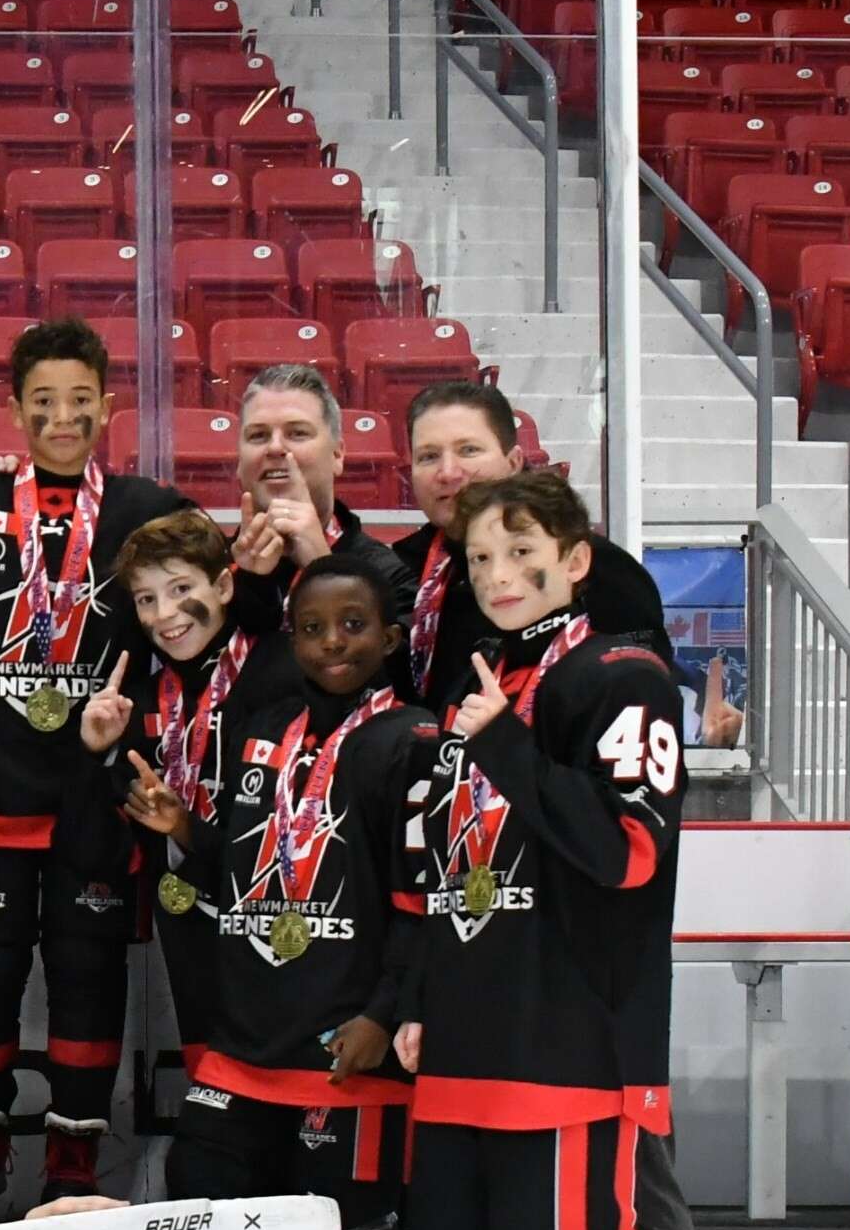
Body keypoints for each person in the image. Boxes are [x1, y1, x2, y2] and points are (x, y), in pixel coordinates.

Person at [386, 380, 711, 1230]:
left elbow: (626, 852)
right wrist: (421, 998)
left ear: (575, 558)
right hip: (470, 1027)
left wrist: (507, 757)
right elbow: (444, 874)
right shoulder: (482, 688)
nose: (499, 574)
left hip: (571, 1029)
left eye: (520, 550)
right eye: (479, 559)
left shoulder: (619, 677)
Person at [86, 553, 447, 1230]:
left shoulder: (412, 742)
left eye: (354, 626)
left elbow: (423, 905)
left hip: (345, 1047)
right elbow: (246, 869)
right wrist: (185, 831)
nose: (333, 645)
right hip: (247, 1038)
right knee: (205, 1206)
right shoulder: (260, 732)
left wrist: (382, 1012)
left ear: (392, 635)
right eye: (314, 628)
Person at [0, 318, 193, 1194]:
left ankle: (74, 1156)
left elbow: (207, 615)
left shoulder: (148, 512)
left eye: (79, 401)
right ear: (14, 410)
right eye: (43, 403)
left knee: (87, 979)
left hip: (95, 804)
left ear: (106, 407)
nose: (62, 418)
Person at [57, 512, 298, 1157]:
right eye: (145, 598)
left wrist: (188, 827)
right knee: (221, 1148)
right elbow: (91, 854)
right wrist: (95, 756)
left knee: (271, 1144)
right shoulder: (139, 695)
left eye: (179, 588)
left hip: (287, 939)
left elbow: (303, 834)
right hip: (190, 932)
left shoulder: (283, 672)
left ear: (224, 586)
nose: (165, 614)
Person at [388, 380, 672, 716]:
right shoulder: (404, 566)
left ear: (513, 462)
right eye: (429, 456)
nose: (448, 472)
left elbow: (640, 695)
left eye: (469, 450)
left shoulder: (594, 565)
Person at [228, 361, 404, 607]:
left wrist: (321, 567)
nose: (275, 447)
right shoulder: (206, 574)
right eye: (258, 435)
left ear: (337, 454)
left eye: (297, 433)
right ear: (239, 459)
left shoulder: (388, 577)